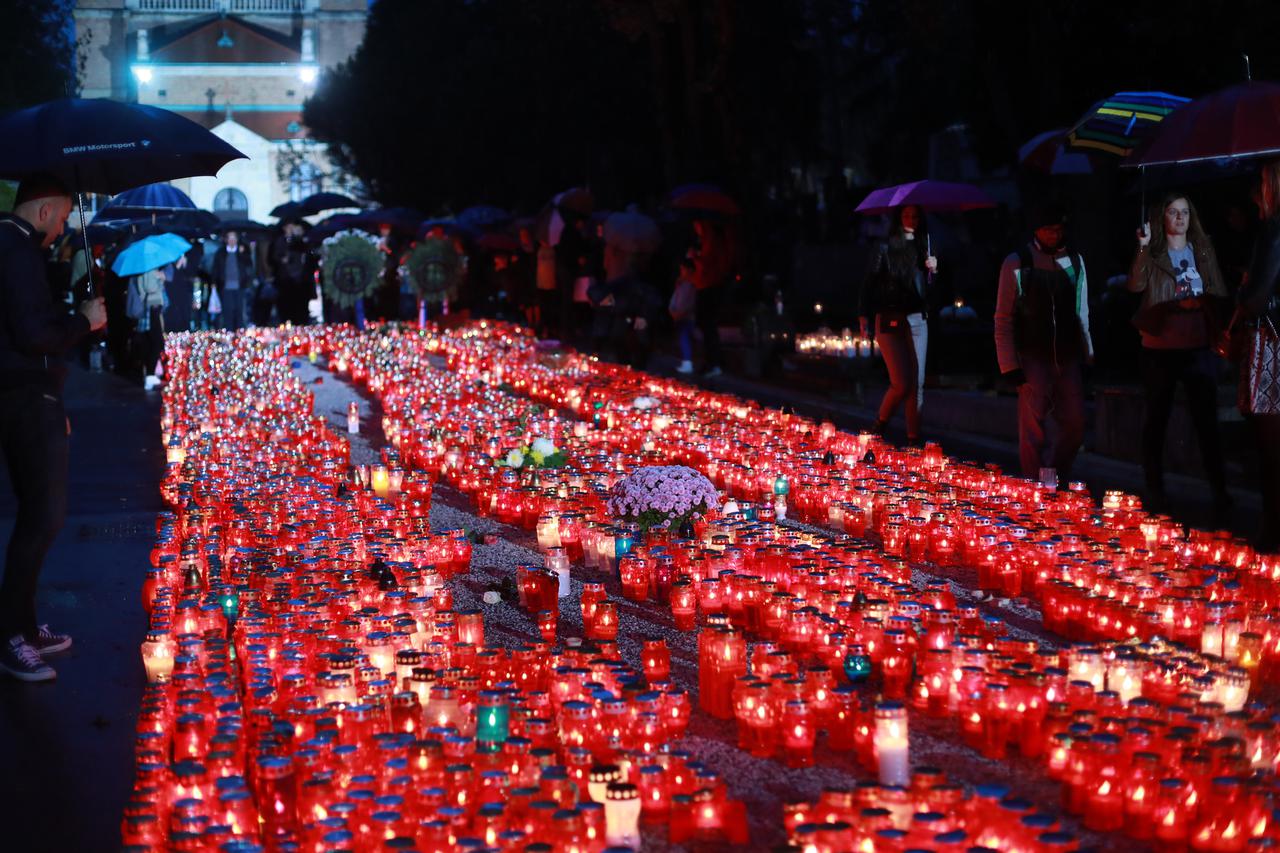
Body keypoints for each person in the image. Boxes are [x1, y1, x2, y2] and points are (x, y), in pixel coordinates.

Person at [0, 173, 107, 681]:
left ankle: (21, 623)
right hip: (21, 394)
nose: (63, 226)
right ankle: (10, 637)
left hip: (26, 391)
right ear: (44, 211)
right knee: (43, 516)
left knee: (37, 515)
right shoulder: (16, 250)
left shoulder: (14, 245)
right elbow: (34, 332)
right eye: (63, 217)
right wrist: (84, 321)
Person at [1127, 193, 1231, 516]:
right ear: (1163, 217)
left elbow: (1217, 290)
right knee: (1157, 418)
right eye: (1173, 212)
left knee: (1206, 422)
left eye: (1185, 212)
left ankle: (1219, 490)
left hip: (1196, 345)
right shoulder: (1155, 252)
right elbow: (1135, 285)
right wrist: (1143, 247)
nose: (1180, 218)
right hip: (1160, 348)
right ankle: (1155, 488)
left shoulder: (1201, 249)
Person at [994, 201, 1093, 484]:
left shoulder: (1073, 261)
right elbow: (1003, 317)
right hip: (1032, 354)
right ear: (1037, 229)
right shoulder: (1018, 263)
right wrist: (1009, 365)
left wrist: (1089, 352)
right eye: (1049, 230)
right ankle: (1034, 487)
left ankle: (1054, 475)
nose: (1054, 235)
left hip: (1067, 354)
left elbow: (1081, 309)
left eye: (1059, 229)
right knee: (1033, 429)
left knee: (1075, 424)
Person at [859, 205, 937, 444]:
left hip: (917, 318)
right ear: (898, 217)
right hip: (890, 316)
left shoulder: (925, 246)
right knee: (901, 382)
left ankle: (913, 438)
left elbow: (928, 289)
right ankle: (880, 423)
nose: (911, 219)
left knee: (917, 382)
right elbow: (870, 282)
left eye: (915, 215)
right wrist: (864, 315)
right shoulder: (886, 247)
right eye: (906, 215)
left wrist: (933, 271)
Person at [1237, 160, 1280, 551]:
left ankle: (1272, 528)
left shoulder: (1273, 231)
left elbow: (1257, 300)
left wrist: (1245, 289)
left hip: (1273, 343)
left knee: (1270, 443)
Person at [691, 218, 736, 378]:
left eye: (696, 224)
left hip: (709, 285)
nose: (695, 227)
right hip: (709, 284)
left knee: (707, 324)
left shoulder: (712, 240)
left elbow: (708, 264)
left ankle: (714, 362)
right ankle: (713, 360)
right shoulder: (709, 240)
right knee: (706, 324)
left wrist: (695, 257)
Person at [127, 267, 168, 389]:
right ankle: (150, 375)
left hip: (151, 307)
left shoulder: (146, 269)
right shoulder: (149, 269)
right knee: (157, 342)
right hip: (151, 307)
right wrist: (160, 278)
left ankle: (149, 375)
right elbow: (150, 288)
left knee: (150, 341)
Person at [269, 220, 316, 326]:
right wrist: (281, 259)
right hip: (285, 279)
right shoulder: (279, 241)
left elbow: (307, 255)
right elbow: (273, 258)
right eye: (289, 227)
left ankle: (301, 324)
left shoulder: (300, 241)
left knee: (301, 307)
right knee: (286, 306)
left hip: (300, 280)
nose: (291, 229)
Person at [212, 230, 254, 331]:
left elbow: (249, 265)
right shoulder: (220, 252)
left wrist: (243, 253)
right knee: (228, 311)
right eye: (230, 238)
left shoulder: (242, 252)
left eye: (234, 238)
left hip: (240, 286)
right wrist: (214, 283)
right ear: (226, 240)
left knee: (239, 311)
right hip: (225, 286)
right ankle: (229, 333)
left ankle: (239, 334)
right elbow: (215, 268)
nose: (232, 241)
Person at [670, 256, 698, 374]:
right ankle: (686, 361)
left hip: (687, 318)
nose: (681, 272)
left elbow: (692, 303)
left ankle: (688, 362)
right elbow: (675, 299)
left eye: (683, 269)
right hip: (679, 316)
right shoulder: (681, 284)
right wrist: (673, 311)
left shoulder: (693, 285)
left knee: (685, 338)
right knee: (682, 338)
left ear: (690, 270)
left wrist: (681, 313)